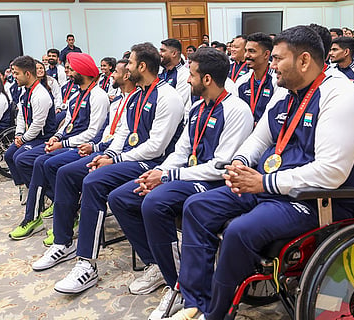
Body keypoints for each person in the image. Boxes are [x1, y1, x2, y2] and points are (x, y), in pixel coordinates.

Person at [170, 25, 354, 320]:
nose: (271, 65)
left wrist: (263, 182)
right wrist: (239, 162)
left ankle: (216, 313)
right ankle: (194, 302)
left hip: (316, 201)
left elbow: (330, 173)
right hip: (271, 188)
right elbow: (259, 138)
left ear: (303, 61)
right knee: (197, 207)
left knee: (239, 231)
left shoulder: (342, 96)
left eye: (277, 59)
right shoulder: (286, 92)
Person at [108, 48, 254, 319]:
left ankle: (179, 286)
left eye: (193, 75)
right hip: (188, 175)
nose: (187, 80)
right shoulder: (198, 107)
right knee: (123, 197)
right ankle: (165, 271)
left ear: (207, 79)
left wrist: (167, 177)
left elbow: (220, 166)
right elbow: (181, 152)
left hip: (214, 184)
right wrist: (159, 172)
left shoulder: (237, 110)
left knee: (155, 202)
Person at [32, 42, 185, 295]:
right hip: (129, 157)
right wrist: (109, 154)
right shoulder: (136, 96)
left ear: (142, 67)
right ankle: (63, 242)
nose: (126, 69)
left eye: (131, 64)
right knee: (68, 173)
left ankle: (87, 264)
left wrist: (115, 159)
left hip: (154, 163)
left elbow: (157, 147)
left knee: (94, 182)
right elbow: (124, 133)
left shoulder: (168, 97)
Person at [8, 52, 109, 240]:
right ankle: (35, 215)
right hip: (68, 141)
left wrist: (63, 143)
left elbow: (94, 133)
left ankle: (67, 212)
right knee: (34, 161)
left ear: (83, 71)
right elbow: (68, 123)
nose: (68, 73)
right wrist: (56, 137)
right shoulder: (76, 95)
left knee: (47, 164)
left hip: (84, 146)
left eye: (71, 69)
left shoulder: (98, 96)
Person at [35, 58, 135, 247]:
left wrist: (93, 148)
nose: (111, 74)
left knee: (58, 168)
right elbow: (100, 130)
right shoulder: (115, 102)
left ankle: (67, 217)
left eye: (72, 70)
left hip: (110, 151)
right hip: (98, 146)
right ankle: (65, 215)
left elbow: (110, 134)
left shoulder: (102, 96)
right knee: (43, 162)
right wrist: (57, 138)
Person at [4, 55, 58, 205]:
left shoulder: (40, 94)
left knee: (19, 158)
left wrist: (24, 139)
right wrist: (19, 134)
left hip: (42, 137)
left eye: (16, 73)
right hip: (28, 136)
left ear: (27, 74)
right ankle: (25, 187)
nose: (14, 77)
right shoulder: (25, 91)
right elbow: (21, 115)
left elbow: (38, 124)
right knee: (9, 155)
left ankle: (47, 194)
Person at [234, 32, 281, 123]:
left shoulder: (277, 81)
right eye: (245, 51)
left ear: (266, 54)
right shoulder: (241, 82)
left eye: (252, 51)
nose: (246, 56)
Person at [329, 36, 354, 105]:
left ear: (346, 52)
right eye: (330, 50)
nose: (330, 53)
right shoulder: (330, 71)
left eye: (334, 50)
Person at [159, 39, 191, 120]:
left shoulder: (184, 75)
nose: (160, 54)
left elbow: (177, 104)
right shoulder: (159, 73)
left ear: (174, 53)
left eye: (163, 51)